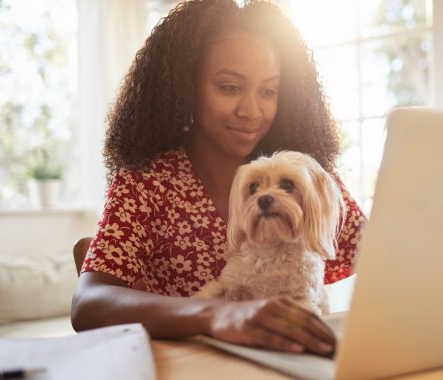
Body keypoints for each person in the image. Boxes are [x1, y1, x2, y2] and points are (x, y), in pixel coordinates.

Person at [71, 0, 365, 357]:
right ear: (184, 88)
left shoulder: (309, 180)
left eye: (268, 91)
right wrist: (218, 313)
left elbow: (381, 257)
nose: (251, 110)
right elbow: (88, 303)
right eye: (229, 87)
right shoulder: (147, 182)